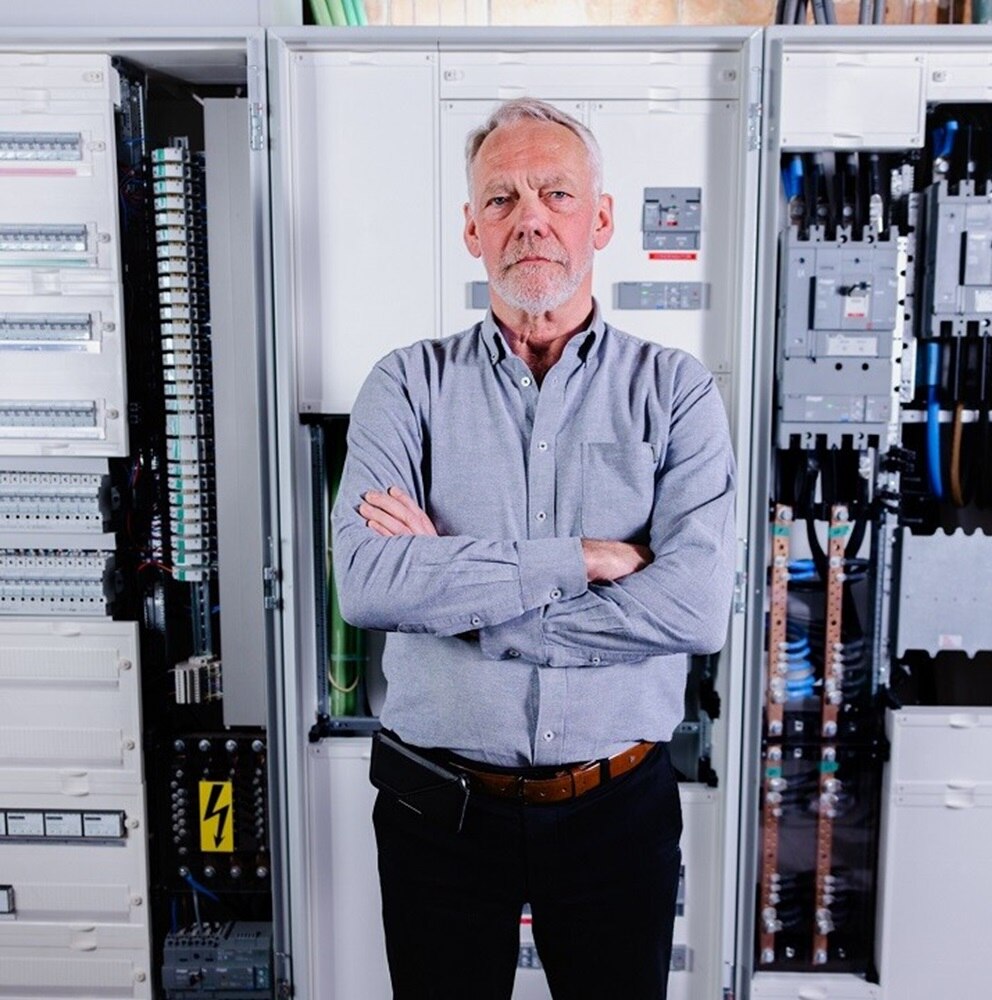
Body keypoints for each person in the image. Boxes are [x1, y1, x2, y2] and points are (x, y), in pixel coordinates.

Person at [332, 98, 735, 1000]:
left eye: (556, 193)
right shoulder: (407, 385)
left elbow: (696, 607)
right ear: (471, 230)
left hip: (616, 811)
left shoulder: (677, 393)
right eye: (502, 198)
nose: (530, 219)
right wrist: (582, 559)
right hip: (437, 811)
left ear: (601, 219)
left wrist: (465, 603)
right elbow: (366, 582)